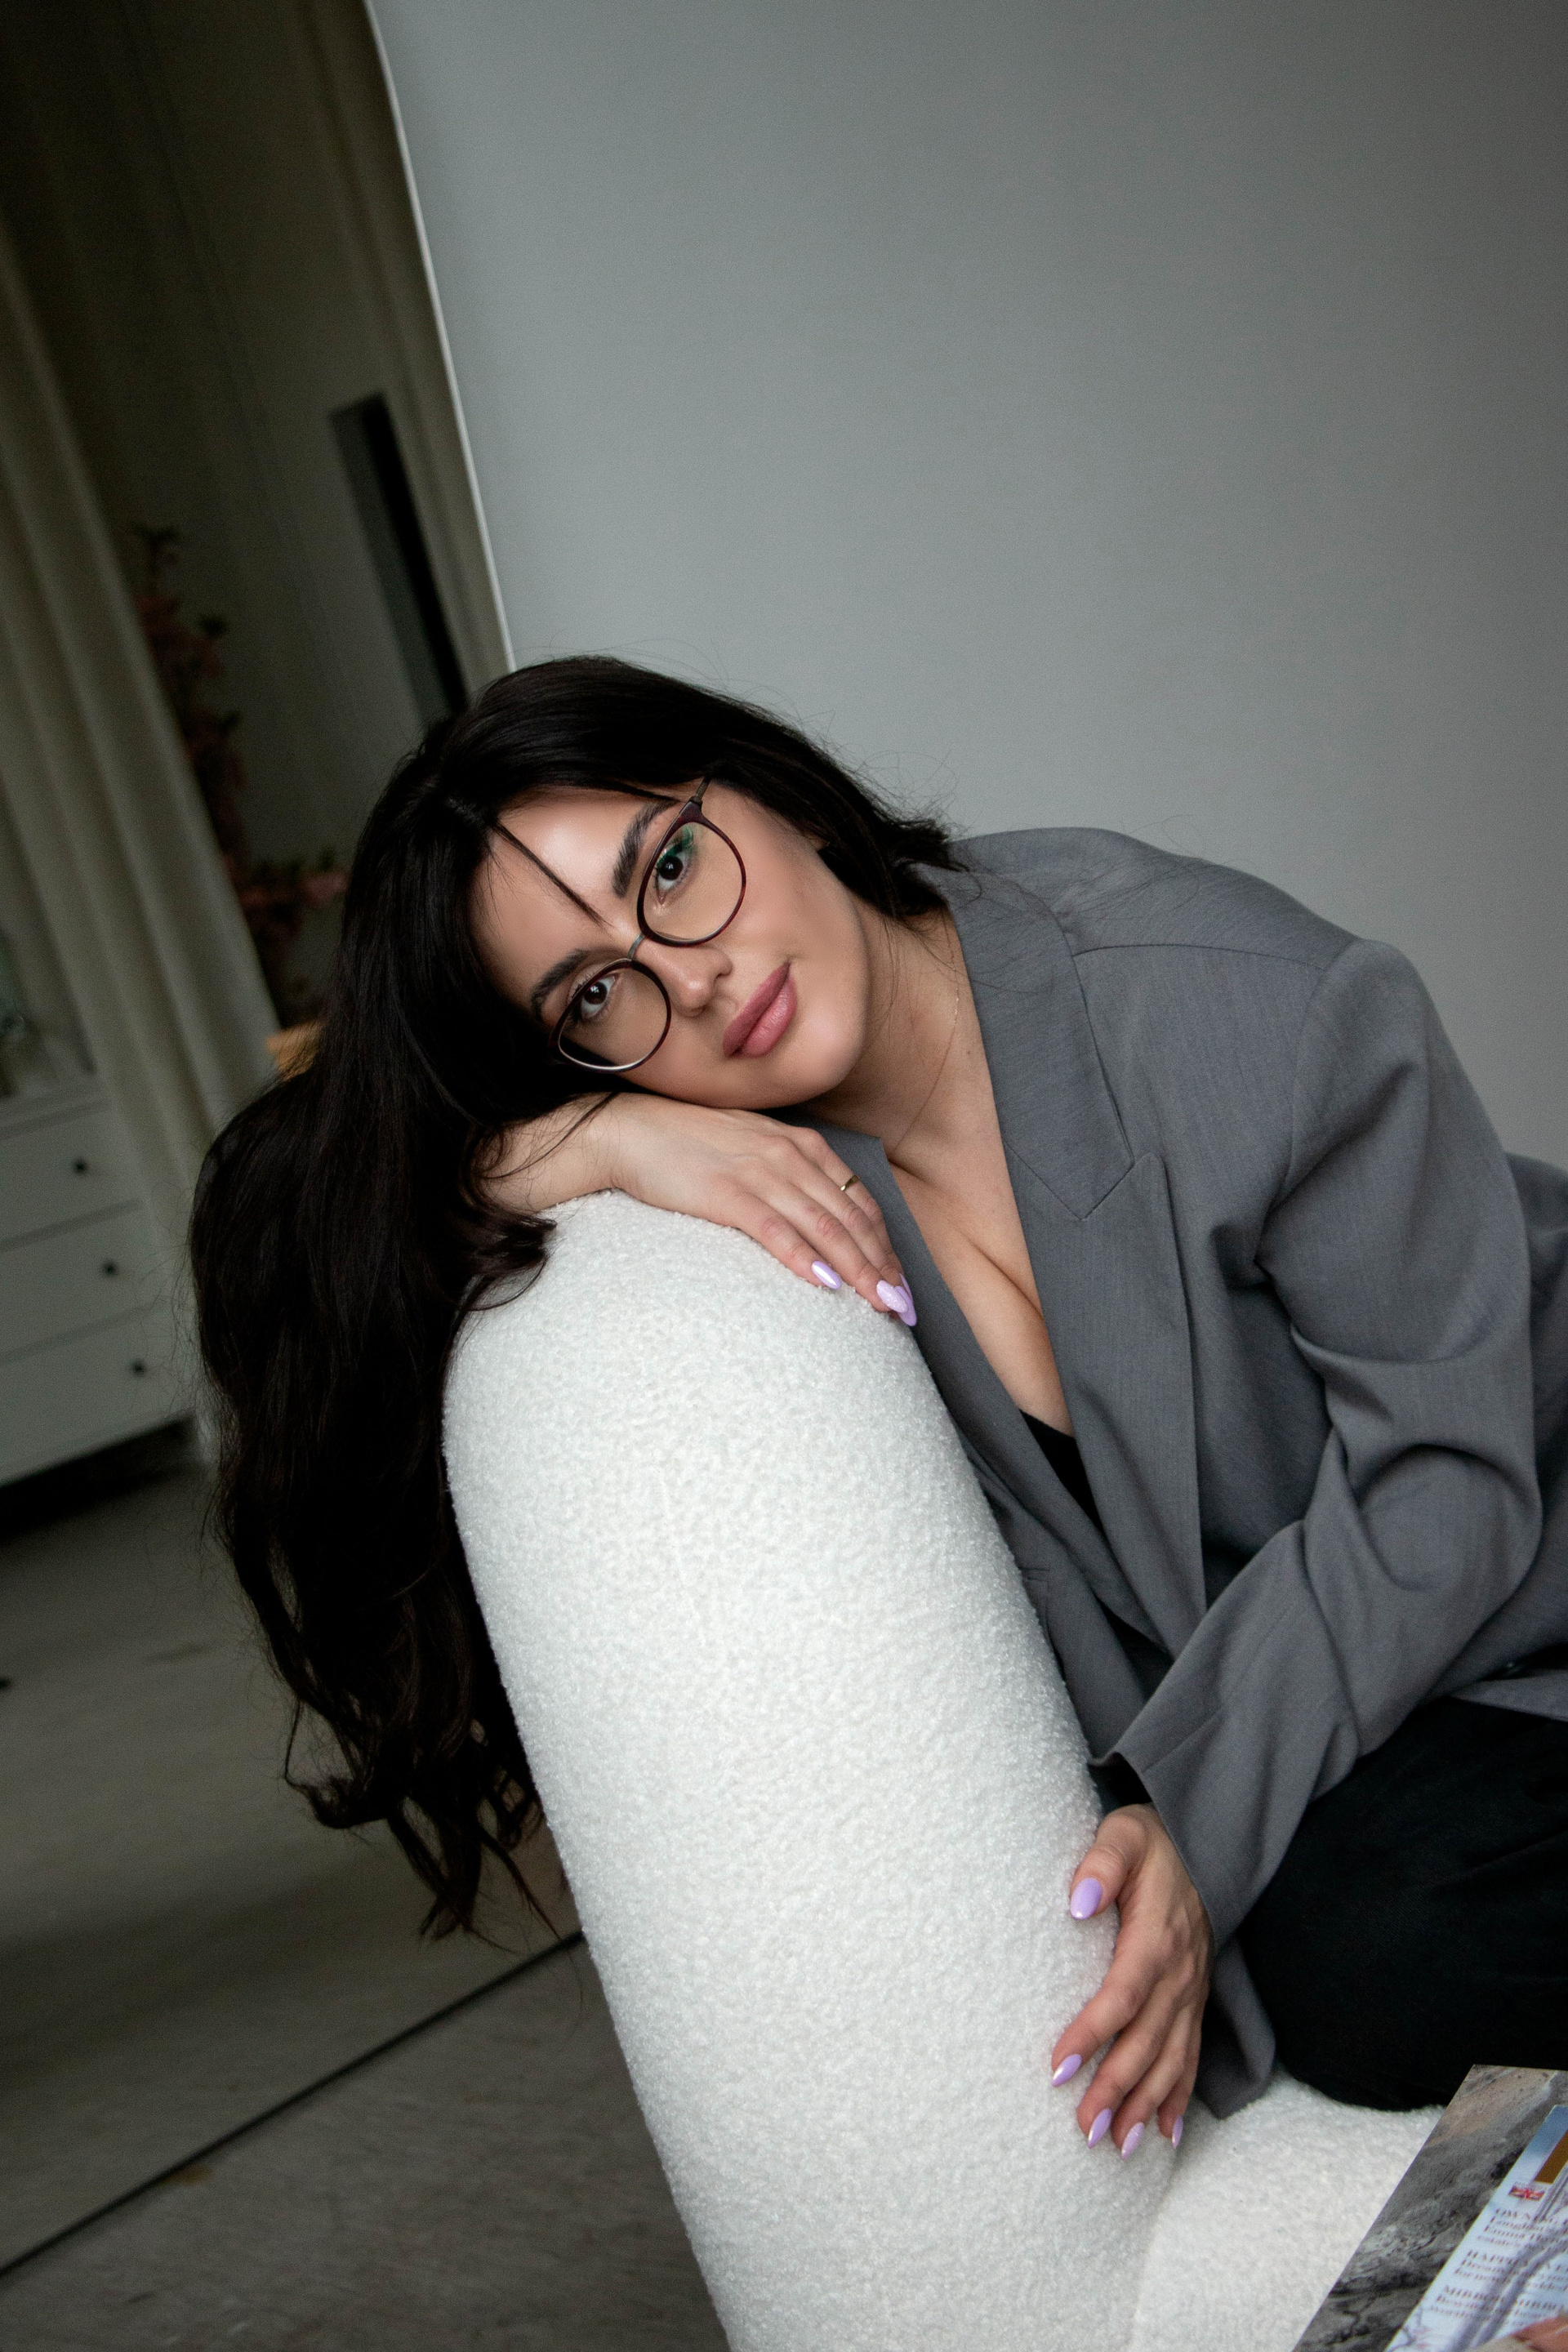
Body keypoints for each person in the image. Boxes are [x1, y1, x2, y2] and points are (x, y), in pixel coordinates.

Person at [192, 656, 1568, 2157]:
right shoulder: (741, 1148)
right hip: (1378, 1694)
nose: (692, 981)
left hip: (1518, 1552)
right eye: (595, 994)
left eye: (672, 867)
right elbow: (302, 1206)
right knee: (1366, 1945)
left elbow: (1445, 1480)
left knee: (1375, 1947)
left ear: (769, 788)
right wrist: (596, 1142)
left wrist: (1194, 1812)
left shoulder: (1243, 998)